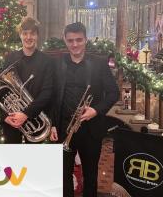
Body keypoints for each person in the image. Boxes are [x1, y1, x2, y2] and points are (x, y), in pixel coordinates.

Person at [50, 22, 119, 197]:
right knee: (63, 176)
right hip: (64, 129)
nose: (75, 45)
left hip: (90, 130)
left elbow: (113, 93)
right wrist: (51, 124)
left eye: (79, 40)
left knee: (90, 176)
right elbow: (52, 96)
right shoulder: (57, 64)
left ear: (85, 40)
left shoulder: (99, 64)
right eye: (71, 40)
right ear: (65, 41)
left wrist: (95, 110)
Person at [0, 17, 53, 143]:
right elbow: (2, 90)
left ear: (37, 36)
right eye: (25, 33)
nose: (28, 37)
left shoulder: (47, 61)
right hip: (12, 120)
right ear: (20, 35)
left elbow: (47, 92)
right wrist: (5, 116)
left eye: (32, 33)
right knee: (12, 161)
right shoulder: (11, 58)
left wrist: (25, 114)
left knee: (32, 161)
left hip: (35, 119)